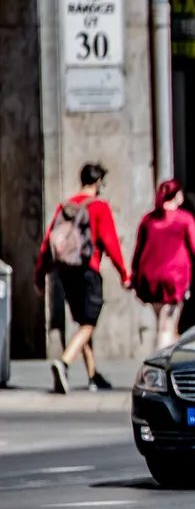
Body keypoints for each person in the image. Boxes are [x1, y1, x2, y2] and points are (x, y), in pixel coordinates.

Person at [35, 163, 131, 393]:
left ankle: (92, 375)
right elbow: (110, 242)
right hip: (88, 269)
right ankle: (64, 362)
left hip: (65, 272)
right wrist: (124, 274)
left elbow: (48, 242)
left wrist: (39, 275)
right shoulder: (99, 207)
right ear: (98, 183)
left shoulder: (65, 207)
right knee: (89, 323)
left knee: (82, 323)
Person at [132, 179, 195, 350]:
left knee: (164, 323)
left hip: (150, 278)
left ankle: (169, 354)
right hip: (174, 278)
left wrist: (133, 277)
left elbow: (138, 251)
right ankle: (160, 364)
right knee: (165, 327)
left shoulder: (148, 220)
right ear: (176, 196)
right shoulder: (184, 219)